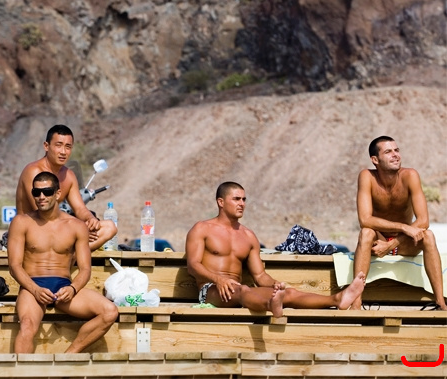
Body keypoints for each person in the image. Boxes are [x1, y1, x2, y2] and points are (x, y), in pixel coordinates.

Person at [186, 181, 366, 317]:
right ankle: (270, 305)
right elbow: (193, 265)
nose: (242, 203)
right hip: (211, 290)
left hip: (239, 290)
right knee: (243, 290)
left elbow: (259, 276)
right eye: (236, 199)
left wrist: (275, 284)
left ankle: (337, 299)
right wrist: (218, 279)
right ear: (221, 202)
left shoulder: (248, 236)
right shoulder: (202, 229)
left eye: (244, 199)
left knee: (289, 293)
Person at [8, 171, 118, 353]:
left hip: (64, 286)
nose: (41, 197)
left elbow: (85, 269)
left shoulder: (76, 226)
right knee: (27, 325)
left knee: (109, 311)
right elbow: (14, 266)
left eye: (47, 192)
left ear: (58, 193)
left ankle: (67, 357)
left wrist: (73, 288)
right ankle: (24, 370)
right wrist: (35, 290)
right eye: (36, 192)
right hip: (32, 286)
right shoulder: (22, 222)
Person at [351, 136, 446, 310]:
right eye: (388, 152)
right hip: (378, 240)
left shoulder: (410, 176)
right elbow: (365, 219)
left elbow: (423, 220)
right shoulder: (367, 176)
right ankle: (356, 303)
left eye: (397, 150)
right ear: (375, 160)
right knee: (366, 232)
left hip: (404, 243)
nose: (395, 155)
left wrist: (391, 244)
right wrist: (403, 226)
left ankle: (440, 302)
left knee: (429, 236)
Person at [15, 124, 117, 251]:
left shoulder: (69, 175)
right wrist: (78, 228)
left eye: (68, 147)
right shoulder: (33, 171)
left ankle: (69, 258)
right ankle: (68, 255)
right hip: (34, 231)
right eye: (58, 145)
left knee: (109, 227)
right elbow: (42, 213)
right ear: (46, 146)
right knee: (77, 231)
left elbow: (80, 208)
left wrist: (90, 219)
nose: (63, 152)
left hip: (57, 229)